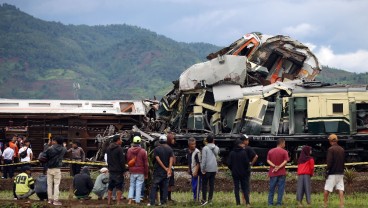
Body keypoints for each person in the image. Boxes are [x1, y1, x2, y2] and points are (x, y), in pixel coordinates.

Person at [148, 134, 174, 206]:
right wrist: (168, 169)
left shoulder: (156, 149)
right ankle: (163, 202)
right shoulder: (170, 149)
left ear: (159, 141)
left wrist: (164, 168)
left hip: (158, 171)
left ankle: (152, 202)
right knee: (165, 187)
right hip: (166, 172)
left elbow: (157, 159)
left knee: (154, 186)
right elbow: (171, 159)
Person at [227, 139, 251, 206]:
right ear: (239, 145)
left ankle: (238, 203)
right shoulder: (243, 152)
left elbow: (229, 163)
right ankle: (247, 203)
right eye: (242, 144)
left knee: (236, 188)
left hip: (235, 173)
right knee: (245, 188)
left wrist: (232, 169)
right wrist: (246, 170)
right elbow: (247, 163)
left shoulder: (232, 153)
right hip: (243, 173)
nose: (243, 145)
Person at [324, 134, 345, 208]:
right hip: (340, 172)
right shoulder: (342, 149)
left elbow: (329, 162)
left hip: (332, 173)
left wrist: (327, 170)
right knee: (340, 189)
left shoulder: (330, 149)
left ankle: (325, 205)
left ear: (330, 141)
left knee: (327, 189)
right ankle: (341, 205)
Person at [267, 138, 289, 206]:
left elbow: (268, 160)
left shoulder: (270, 151)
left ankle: (270, 203)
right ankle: (279, 203)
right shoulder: (285, 152)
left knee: (271, 188)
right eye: (284, 143)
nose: (285, 145)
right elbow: (285, 161)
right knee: (280, 189)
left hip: (273, 172)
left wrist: (274, 166)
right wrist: (279, 167)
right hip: (281, 172)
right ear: (281, 143)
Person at [45, 136, 67, 206]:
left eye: (53, 140)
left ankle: (50, 199)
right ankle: (56, 200)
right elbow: (65, 150)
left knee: (49, 184)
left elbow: (45, 154)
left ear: (56, 141)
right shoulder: (63, 149)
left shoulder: (50, 148)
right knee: (56, 184)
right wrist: (64, 146)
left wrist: (48, 145)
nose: (52, 141)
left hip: (49, 168)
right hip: (57, 169)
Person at [127, 136, 148, 205]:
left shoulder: (129, 150)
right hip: (140, 171)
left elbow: (128, 161)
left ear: (133, 142)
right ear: (140, 142)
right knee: (138, 186)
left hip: (132, 171)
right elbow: (145, 164)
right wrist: (146, 174)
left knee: (132, 185)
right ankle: (137, 201)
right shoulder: (143, 151)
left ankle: (130, 201)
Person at [106, 134, 126, 205]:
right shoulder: (119, 149)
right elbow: (122, 161)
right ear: (118, 140)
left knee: (110, 187)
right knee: (119, 187)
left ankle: (108, 202)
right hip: (118, 171)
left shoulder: (108, 148)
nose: (121, 140)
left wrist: (109, 168)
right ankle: (118, 202)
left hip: (111, 170)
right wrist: (124, 170)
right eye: (120, 139)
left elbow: (108, 160)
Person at [200, 134, 219, 206]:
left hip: (207, 169)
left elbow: (204, 160)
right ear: (213, 140)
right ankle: (210, 200)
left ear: (207, 141)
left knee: (204, 185)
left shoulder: (205, 148)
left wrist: (202, 169)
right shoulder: (216, 148)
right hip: (213, 169)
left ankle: (204, 200)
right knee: (211, 185)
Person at [240, 134, 258, 205]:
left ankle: (243, 201)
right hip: (247, 169)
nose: (248, 141)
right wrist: (251, 164)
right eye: (246, 140)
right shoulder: (248, 148)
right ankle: (246, 200)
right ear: (243, 141)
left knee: (241, 185)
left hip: (240, 169)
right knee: (246, 185)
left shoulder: (238, 148)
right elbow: (256, 156)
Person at [187, 137, 201, 201]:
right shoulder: (189, 151)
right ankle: (195, 198)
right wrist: (189, 168)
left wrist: (196, 171)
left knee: (196, 186)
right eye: (192, 144)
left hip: (197, 173)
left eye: (194, 144)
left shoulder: (197, 152)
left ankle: (197, 199)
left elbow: (198, 163)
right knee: (193, 186)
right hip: (192, 171)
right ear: (189, 145)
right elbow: (190, 161)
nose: (194, 145)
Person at [167, 133, 176, 202]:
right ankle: (168, 198)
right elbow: (173, 161)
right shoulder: (170, 149)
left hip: (167, 168)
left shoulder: (168, 148)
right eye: (173, 139)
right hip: (170, 168)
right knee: (169, 184)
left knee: (169, 184)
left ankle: (168, 198)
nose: (174, 140)